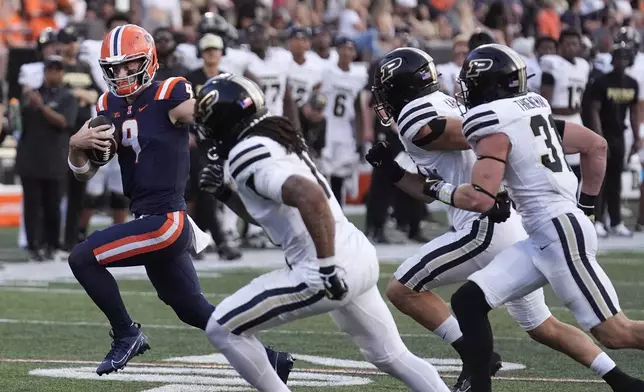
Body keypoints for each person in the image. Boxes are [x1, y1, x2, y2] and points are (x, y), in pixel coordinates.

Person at [368, 45, 644, 392]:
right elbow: (590, 144)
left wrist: (472, 185)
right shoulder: (518, 110)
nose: (463, 92)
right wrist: (394, 172)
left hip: (492, 221)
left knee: (615, 332)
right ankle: (621, 381)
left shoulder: (425, 115)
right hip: (526, 226)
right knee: (528, 320)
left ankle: (475, 358)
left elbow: (473, 156)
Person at [195, 73, 451, 392]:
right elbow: (274, 215)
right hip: (356, 254)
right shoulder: (272, 133)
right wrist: (225, 194)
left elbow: (308, 195)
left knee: (222, 328)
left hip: (325, 267)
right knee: (391, 355)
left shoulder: (249, 151)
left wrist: (327, 266)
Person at [66, 24, 293, 377]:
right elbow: (85, 173)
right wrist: (75, 147)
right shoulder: (106, 104)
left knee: (82, 258)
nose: (122, 74)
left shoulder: (170, 92)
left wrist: (242, 125)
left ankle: (127, 334)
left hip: (166, 220)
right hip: (149, 219)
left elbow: (208, 114)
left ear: (148, 60)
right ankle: (272, 360)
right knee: (190, 307)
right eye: (115, 68)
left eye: (129, 65)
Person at [184, 33, 241, 261]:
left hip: (220, 140)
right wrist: (186, 132)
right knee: (206, 188)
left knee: (204, 190)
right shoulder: (190, 78)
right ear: (201, 53)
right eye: (207, 50)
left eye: (215, 49)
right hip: (197, 140)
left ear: (222, 52)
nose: (211, 54)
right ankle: (219, 242)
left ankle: (196, 243)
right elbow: (181, 107)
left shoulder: (228, 79)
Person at [17, 56, 78, 261]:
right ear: (45, 72)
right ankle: (34, 245)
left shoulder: (67, 96)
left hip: (55, 159)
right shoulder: (30, 95)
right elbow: (19, 122)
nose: (54, 73)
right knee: (32, 207)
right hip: (30, 158)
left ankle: (52, 244)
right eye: (50, 69)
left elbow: (63, 122)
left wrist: (42, 107)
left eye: (57, 70)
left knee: (53, 205)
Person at [590, 39, 640, 237]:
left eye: (626, 57)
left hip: (620, 135)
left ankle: (616, 221)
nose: (622, 61)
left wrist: (637, 138)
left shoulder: (632, 83)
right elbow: (594, 110)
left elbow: (634, 112)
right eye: (618, 57)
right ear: (612, 59)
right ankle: (598, 220)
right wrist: (600, 138)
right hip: (604, 133)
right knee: (599, 180)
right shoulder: (602, 82)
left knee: (616, 180)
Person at [319, 37, 368, 206]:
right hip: (327, 128)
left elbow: (358, 109)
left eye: (350, 49)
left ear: (354, 53)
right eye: (343, 48)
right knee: (322, 175)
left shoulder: (359, 75)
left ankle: (338, 214)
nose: (346, 52)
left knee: (340, 178)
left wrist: (361, 139)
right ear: (337, 50)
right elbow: (317, 96)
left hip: (345, 130)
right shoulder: (327, 71)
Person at [540, 29, 590, 181]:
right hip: (556, 118)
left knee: (576, 168)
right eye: (567, 44)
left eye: (574, 44)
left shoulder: (584, 65)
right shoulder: (552, 64)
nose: (571, 48)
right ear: (560, 46)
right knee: (557, 167)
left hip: (576, 117)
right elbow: (545, 98)